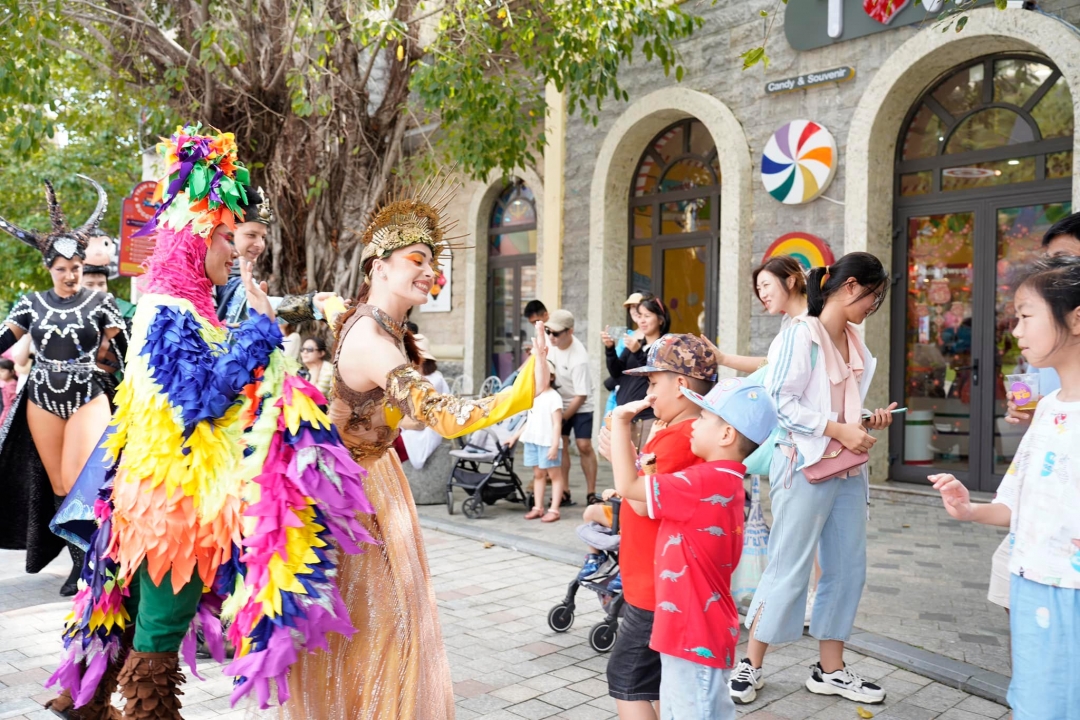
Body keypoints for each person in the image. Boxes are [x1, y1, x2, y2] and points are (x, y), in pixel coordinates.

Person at [44, 126, 375, 720]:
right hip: (173, 509)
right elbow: (198, 398)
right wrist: (259, 330)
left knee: (139, 617)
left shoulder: (191, 308)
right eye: (225, 237)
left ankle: (85, 702)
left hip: (174, 497)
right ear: (195, 241)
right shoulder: (167, 310)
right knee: (160, 628)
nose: (234, 250)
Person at [284, 175, 548, 720]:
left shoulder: (366, 319)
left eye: (434, 260)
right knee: (379, 631)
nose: (431, 270)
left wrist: (280, 304)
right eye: (417, 258)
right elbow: (447, 418)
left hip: (377, 485)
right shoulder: (375, 345)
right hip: (349, 504)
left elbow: (328, 303)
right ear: (379, 266)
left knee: (394, 624)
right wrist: (526, 385)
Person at [732, 252, 897, 706]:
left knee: (846, 570)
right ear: (849, 288)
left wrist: (865, 419)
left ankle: (831, 669)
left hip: (845, 468)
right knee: (789, 565)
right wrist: (838, 428)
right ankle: (751, 663)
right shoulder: (801, 335)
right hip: (803, 465)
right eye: (873, 296)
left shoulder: (854, 341)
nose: (872, 305)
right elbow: (781, 404)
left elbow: (835, 405)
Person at [932, 254, 1080, 720]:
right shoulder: (1049, 408)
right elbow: (1015, 504)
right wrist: (971, 510)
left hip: (1070, 589)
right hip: (1031, 584)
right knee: (1035, 703)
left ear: (1076, 320)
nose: (1015, 331)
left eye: (1025, 315)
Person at [609, 378, 777, 720]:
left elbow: (628, 485)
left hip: (692, 635)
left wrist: (619, 424)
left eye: (703, 418)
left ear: (726, 435)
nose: (693, 425)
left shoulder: (700, 482)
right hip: (692, 630)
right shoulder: (725, 481)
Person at [0, 175, 128, 597]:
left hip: (87, 395)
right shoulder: (31, 303)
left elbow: (123, 349)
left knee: (85, 480)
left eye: (76, 268)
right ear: (49, 268)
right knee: (58, 485)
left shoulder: (100, 302)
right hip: (41, 396)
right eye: (62, 269)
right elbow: (5, 340)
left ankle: (99, 561)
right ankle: (78, 566)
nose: (71, 275)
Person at [597, 334, 718, 720]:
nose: (647, 392)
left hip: (655, 588)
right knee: (661, 681)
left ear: (680, 385)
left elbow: (640, 499)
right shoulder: (681, 431)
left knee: (626, 680)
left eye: (652, 382)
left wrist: (618, 440)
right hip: (657, 583)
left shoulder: (682, 438)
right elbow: (648, 485)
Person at [547, 309, 600, 504]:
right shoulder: (549, 344)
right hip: (559, 402)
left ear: (570, 331)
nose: (551, 337)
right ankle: (564, 491)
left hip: (581, 403)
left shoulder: (579, 358)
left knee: (583, 445)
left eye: (556, 333)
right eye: (548, 331)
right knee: (560, 444)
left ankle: (591, 493)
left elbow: (582, 395)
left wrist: (562, 419)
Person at [603, 294, 669, 448]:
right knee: (623, 466)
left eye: (647, 315)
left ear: (660, 319)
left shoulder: (666, 346)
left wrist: (638, 352)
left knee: (643, 466)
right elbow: (617, 374)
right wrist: (610, 348)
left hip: (647, 418)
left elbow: (652, 375)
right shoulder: (636, 343)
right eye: (640, 316)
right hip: (626, 416)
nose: (642, 320)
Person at [508, 358, 565, 522]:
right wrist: (515, 436)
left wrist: (554, 445)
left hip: (548, 442)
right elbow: (529, 420)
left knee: (554, 475)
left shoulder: (554, 397)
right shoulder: (532, 396)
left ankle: (554, 509)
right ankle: (538, 507)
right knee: (538, 474)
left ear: (552, 377)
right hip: (532, 440)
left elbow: (556, 424)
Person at [399, 333, 452, 470]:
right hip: (411, 428)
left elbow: (420, 421)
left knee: (388, 448)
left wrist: (400, 422)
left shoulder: (434, 380)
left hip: (425, 431)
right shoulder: (416, 377)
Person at [604, 292, 644, 417]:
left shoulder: (660, 340)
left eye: (637, 305)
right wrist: (609, 347)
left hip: (642, 402)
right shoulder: (627, 335)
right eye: (631, 307)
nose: (634, 310)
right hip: (619, 393)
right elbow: (617, 370)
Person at [0, 358, 16, 426]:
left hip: (7, 415)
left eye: (2, 371)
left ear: (12, 372)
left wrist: (2, 421)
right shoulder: (6, 383)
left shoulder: (11, 386)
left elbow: (10, 405)